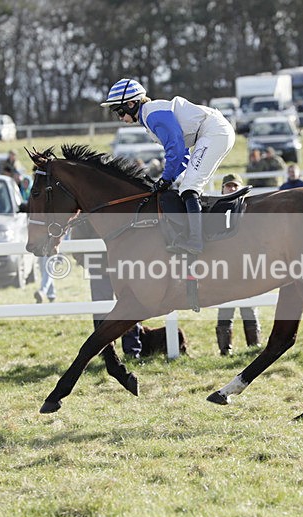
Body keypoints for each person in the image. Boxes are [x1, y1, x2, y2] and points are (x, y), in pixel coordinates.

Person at [101, 77, 235, 255]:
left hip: (213, 131)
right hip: (212, 132)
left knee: (190, 187)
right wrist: (168, 179)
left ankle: (196, 242)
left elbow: (175, 148)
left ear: (131, 104)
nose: (120, 117)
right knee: (188, 186)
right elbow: (183, 154)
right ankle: (196, 234)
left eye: (119, 111)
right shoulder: (149, 116)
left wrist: (166, 178)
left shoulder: (152, 115)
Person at [70, 219, 143, 357]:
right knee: (101, 311)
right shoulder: (87, 216)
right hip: (100, 270)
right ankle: (106, 351)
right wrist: (92, 266)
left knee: (131, 308)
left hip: (125, 269)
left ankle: (132, 350)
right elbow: (77, 242)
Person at [215, 173, 261, 354]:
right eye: (229, 186)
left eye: (235, 186)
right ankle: (225, 349)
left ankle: (254, 346)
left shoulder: (249, 208)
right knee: (225, 306)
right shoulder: (216, 208)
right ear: (223, 189)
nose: (232, 189)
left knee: (249, 305)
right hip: (224, 264)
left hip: (245, 263)